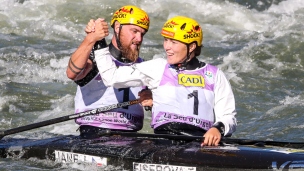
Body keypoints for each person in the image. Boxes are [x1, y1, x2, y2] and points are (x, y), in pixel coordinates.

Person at [93, 16, 237, 146]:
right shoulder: (158, 67)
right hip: (164, 141)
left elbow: (228, 116)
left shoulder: (215, 74)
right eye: (166, 40)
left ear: (192, 46)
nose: (167, 47)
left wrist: (218, 128)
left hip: (200, 143)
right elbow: (111, 77)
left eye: (174, 42)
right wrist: (99, 40)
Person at [66, 5, 151, 138]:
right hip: (95, 135)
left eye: (142, 34)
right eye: (134, 31)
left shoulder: (144, 67)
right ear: (117, 27)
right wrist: (91, 39)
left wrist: (153, 100)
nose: (139, 39)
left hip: (132, 139)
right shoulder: (95, 60)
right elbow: (72, 73)